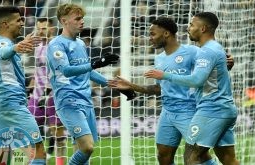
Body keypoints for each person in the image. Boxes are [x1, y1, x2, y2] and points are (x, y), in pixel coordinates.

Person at [109, 16, 234, 165]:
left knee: (197, 156)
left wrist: (227, 64)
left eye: (153, 34)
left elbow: (211, 68)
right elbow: (158, 88)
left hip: (188, 109)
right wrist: (132, 86)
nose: (150, 38)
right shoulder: (159, 59)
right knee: (163, 156)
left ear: (166, 34)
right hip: (167, 111)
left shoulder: (193, 51)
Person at [144, 12, 239, 165]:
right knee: (228, 160)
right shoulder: (215, 48)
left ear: (203, 29)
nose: (188, 28)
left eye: (191, 25)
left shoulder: (205, 51)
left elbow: (196, 80)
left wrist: (165, 75)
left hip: (212, 110)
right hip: (225, 109)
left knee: (192, 158)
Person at [46, 3, 135, 165]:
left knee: (84, 154)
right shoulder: (56, 45)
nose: (82, 22)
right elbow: (66, 70)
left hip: (86, 101)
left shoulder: (80, 43)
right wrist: (97, 63)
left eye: (82, 18)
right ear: (64, 21)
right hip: (68, 101)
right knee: (87, 147)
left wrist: (113, 84)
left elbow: (87, 71)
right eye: (78, 18)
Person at [0, 6, 46, 165]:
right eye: (18, 20)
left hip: (0, 108)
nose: (22, 23)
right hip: (12, 108)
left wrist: (16, 47)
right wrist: (16, 47)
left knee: (0, 161)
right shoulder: (3, 43)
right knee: (38, 151)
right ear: (5, 24)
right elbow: (5, 51)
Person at [27, 18, 66, 164]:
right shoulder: (38, 46)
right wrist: (30, 88)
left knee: (57, 130)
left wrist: (46, 92)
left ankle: (59, 162)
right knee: (31, 128)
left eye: (44, 28)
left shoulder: (56, 46)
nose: (40, 31)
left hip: (53, 95)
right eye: (39, 28)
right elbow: (39, 70)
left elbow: (58, 72)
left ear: (52, 29)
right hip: (36, 95)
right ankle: (39, 158)